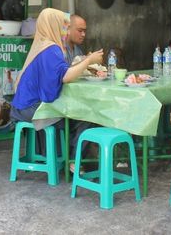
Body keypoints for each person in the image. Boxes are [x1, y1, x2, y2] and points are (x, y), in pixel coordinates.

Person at [11, 8, 103, 163]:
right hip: (32, 109)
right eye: (63, 26)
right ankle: (74, 160)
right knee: (86, 114)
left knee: (79, 113)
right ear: (53, 26)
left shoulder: (42, 44)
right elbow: (65, 77)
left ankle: (69, 158)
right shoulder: (50, 49)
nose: (65, 31)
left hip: (23, 106)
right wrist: (89, 60)